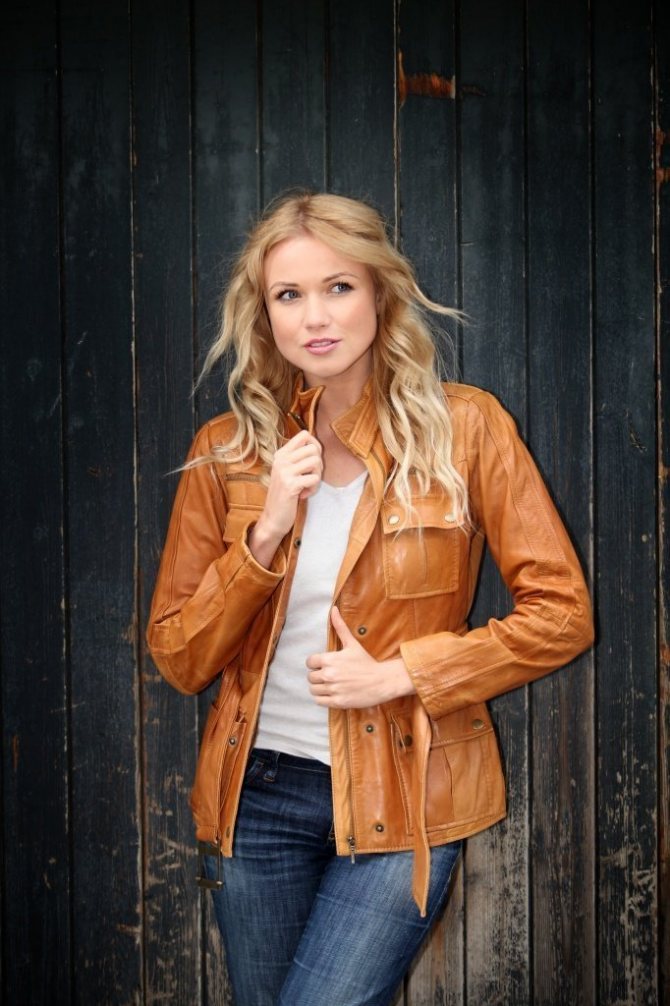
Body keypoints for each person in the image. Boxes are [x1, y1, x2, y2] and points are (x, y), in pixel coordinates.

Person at [146, 191, 594, 1006]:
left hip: (405, 792)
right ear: (265, 315)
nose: (315, 316)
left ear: (381, 293)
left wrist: (404, 674)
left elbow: (562, 615)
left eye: (339, 287)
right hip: (256, 800)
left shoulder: (467, 429)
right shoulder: (227, 452)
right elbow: (178, 657)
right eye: (289, 295)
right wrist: (265, 533)